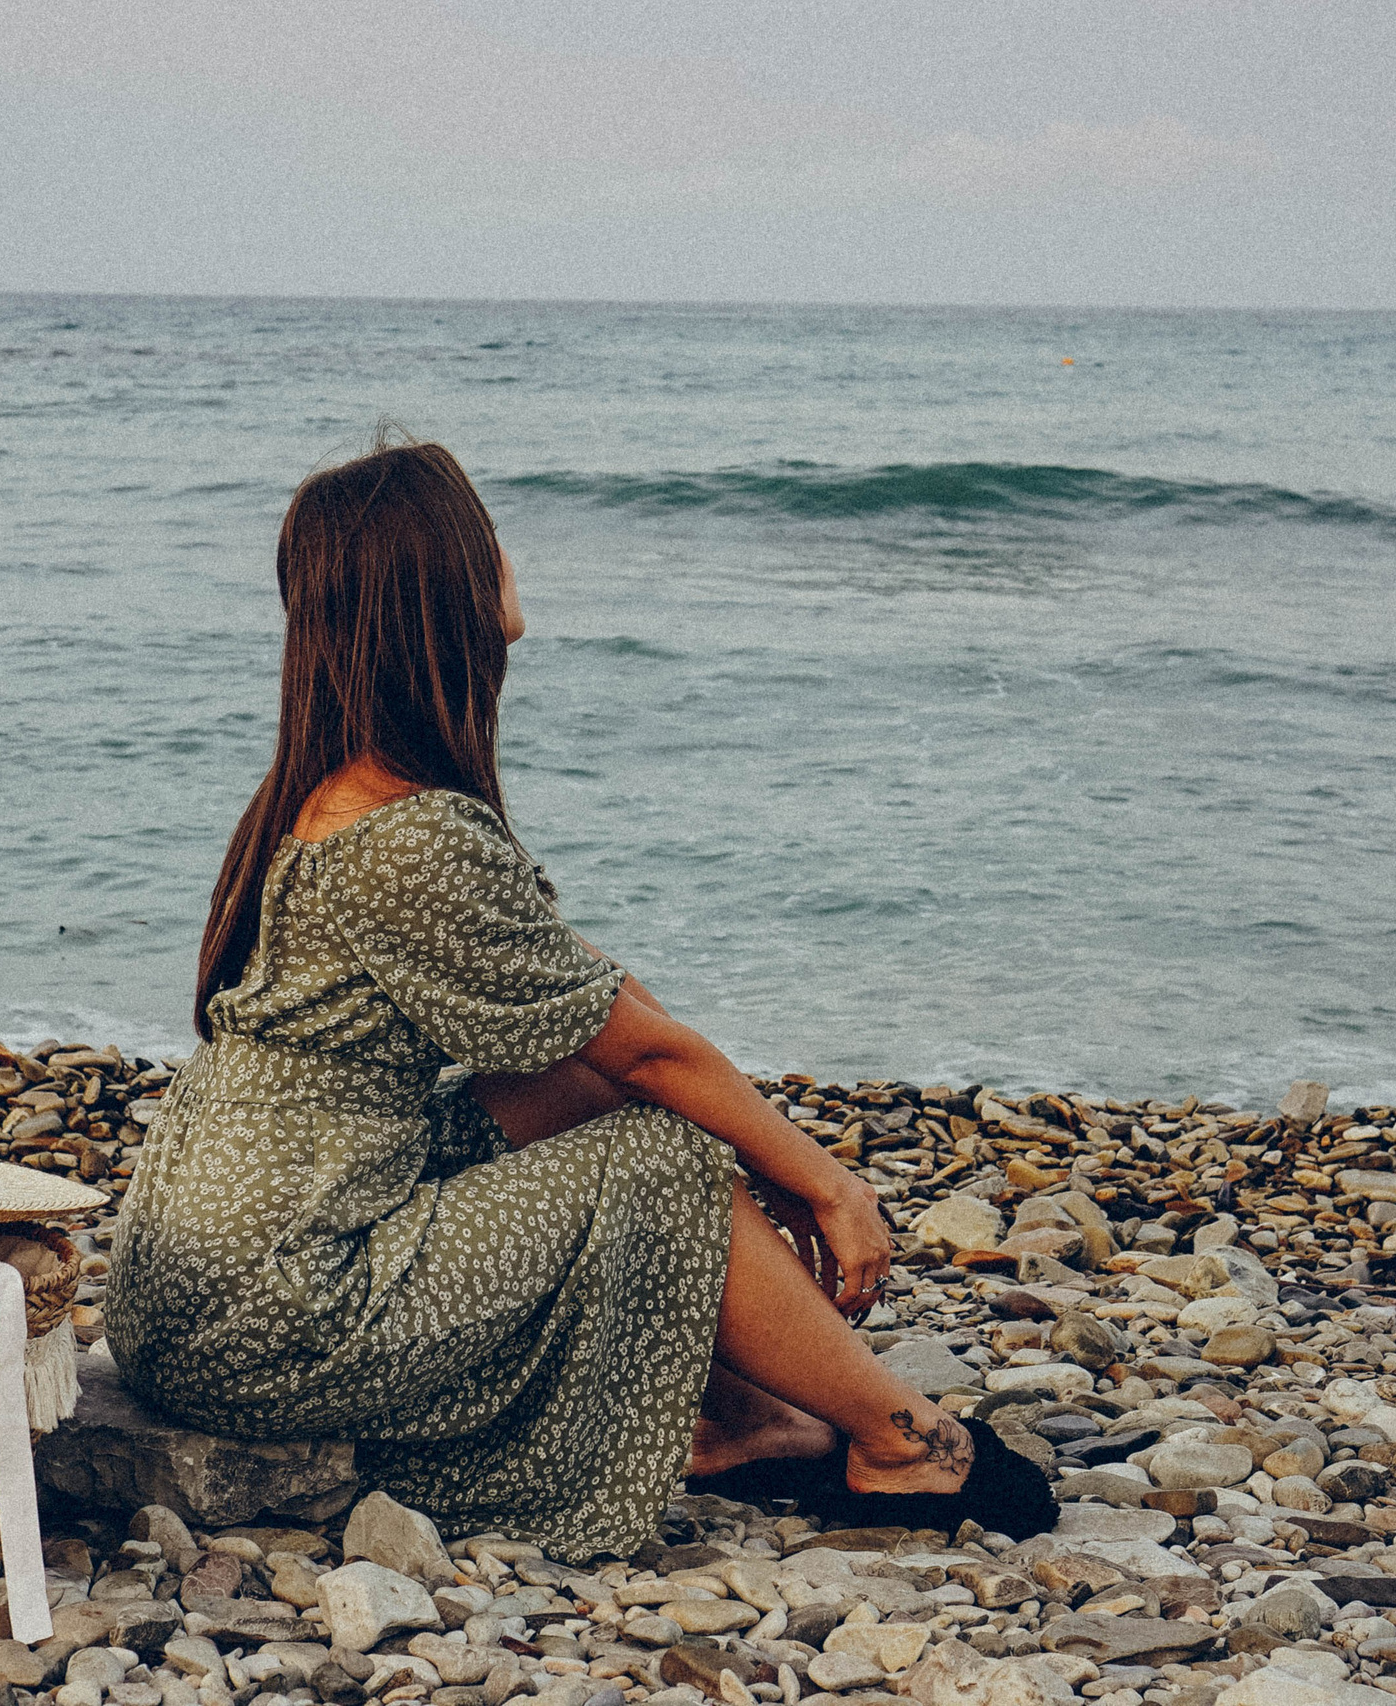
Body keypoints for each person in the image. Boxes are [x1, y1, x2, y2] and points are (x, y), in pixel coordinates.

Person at [104, 434, 1052, 1562]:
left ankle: (744, 1418)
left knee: (555, 1076)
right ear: (447, 585)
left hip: (193, 1287)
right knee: (660, 1154)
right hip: (267, 1317)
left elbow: (593, 1004)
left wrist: (751, 1139)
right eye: (489, 537)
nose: (511, 558)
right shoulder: (411, 838)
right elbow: (653, 1061)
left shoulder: (335, 793)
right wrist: (824, 1182)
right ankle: (901, 1440)